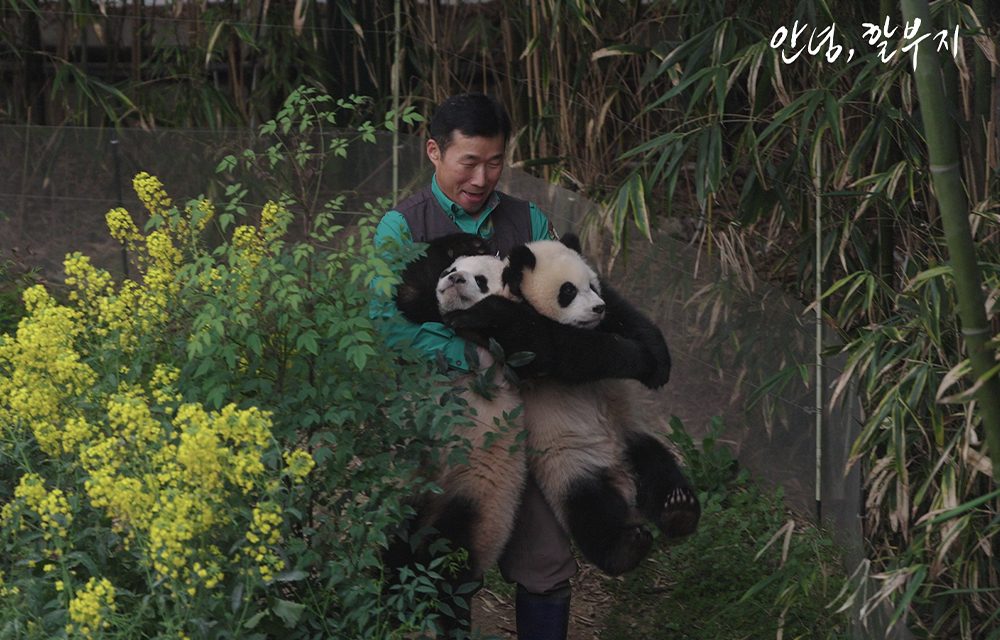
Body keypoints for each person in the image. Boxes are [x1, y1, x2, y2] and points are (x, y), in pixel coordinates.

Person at [372, 93, 575, 640]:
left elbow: (562, 298)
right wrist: (467, 354)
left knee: (547, 557)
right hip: (437, 419)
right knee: (448, 552)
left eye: (495, 161)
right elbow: (385, 324)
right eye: (469, 161)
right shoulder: (401, 227)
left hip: (522, 415)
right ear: (434, 151)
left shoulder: (528, 219)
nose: (483, 177)